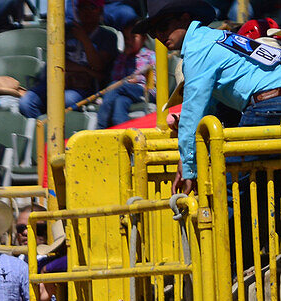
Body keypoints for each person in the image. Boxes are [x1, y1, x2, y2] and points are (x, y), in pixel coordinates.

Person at [133, 0, 281, 194]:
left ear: (185, 19)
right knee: (267, 184)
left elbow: (194, 111)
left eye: (162, 27)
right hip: (269, 103)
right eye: (153, 33)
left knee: (227, 185)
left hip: (267, 105)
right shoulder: (218, 37)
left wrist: (188, 168)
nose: (160, 36)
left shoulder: (197, 49)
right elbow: (208, 108)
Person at [20, 0, 118, 119]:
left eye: (92, 7)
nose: (86, 11)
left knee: (66, 100)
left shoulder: (108, 36)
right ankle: (41, 134)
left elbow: (98, 66)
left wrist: (84, 40)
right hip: (57, 81)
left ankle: (57, 135)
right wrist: (86, 71)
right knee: (26, 103)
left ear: (101, 10)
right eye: (82, 7)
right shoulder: (65, 30)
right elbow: (56, 60)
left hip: (83, 88)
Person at [97, 23, 156, 128]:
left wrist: (136, 79)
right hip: (124, 91)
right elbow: (116, 77)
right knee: (120, 102)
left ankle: (100, 126)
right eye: (126, 38)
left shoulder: (150, 55)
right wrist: (124, 58)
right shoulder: (122, 57)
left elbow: (154, 79)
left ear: (144, 38)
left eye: (133, 37)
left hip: (145, 90)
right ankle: (122, 131)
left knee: (116, 86)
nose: (129, 41)